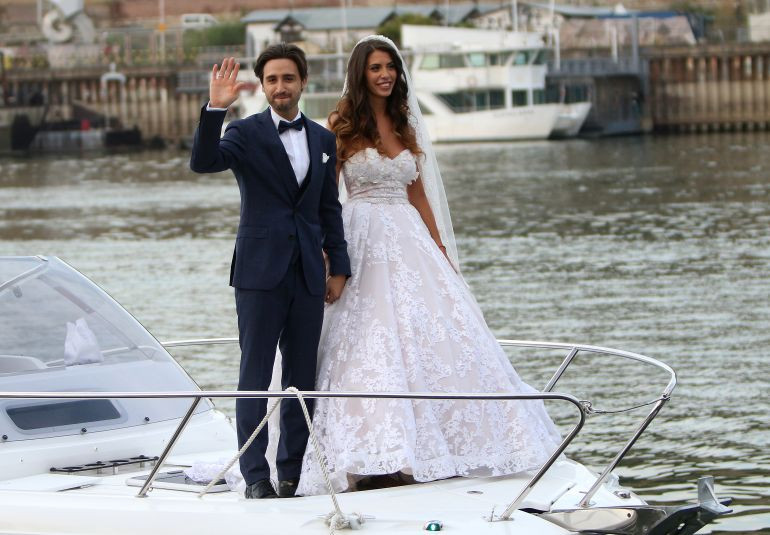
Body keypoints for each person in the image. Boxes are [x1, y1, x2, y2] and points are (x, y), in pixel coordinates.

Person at [296, 36, 563, 496]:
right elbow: (327, 196)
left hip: (409, 236)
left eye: (391, 67)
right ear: (360, 73)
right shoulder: (341, 124)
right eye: (376, 68)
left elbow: (417, 193)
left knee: (435, 332)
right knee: (367, 336)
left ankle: (442, 447)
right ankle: (372, 452)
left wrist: (440, 249)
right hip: (361, 234)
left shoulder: (405, 122)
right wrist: (330, 256)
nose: (385, 75)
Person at [189, 44, 351, 499]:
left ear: (303, 82)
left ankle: (291, 473)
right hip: (259, 273)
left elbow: (328, 209)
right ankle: (255, 475)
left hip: (308, 274)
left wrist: (339, 267)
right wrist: (215, 109)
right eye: (272, 79)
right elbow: (203, 162)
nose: (281, 87)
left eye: (288, 78)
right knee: (255, 375)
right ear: (262, 86)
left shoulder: (322, 139)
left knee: (302, 380)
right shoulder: (244, 132)